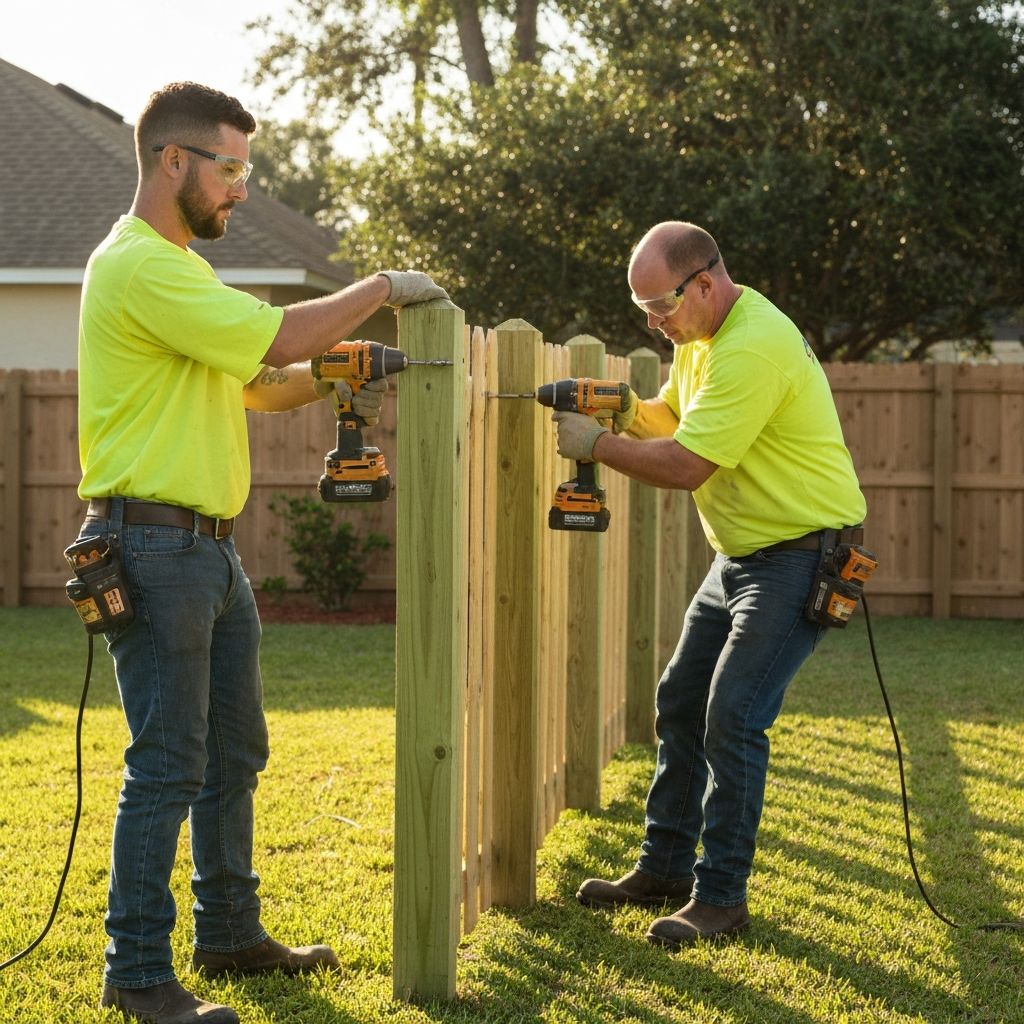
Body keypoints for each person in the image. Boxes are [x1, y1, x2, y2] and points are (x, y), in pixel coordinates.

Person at [75, 82, 447, 1024]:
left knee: (234, 752)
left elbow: (262, 379)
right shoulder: (137, 266)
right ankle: (136, 973)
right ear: (173, 160)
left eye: (248, 170)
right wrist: (382, 288)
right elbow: (278, 333)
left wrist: (334, 375)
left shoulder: (183, 274)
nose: (242, 189)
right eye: (231, 168)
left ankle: (230, 934)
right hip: (150, 544)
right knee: (169, 762)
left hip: (207, 550)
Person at [553, 221, 867, 949]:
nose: (653, 323)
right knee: (682, 699)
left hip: (801, 557)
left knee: (734, 714)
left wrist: (598, 443)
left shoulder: (752, 347)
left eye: (660, 306)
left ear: (703, 283)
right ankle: (663, 870)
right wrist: (627, 411)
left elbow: (689, 463)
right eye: (642, 311)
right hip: (741, 556)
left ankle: (721, 898)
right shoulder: (698, 337)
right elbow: (674, 417)